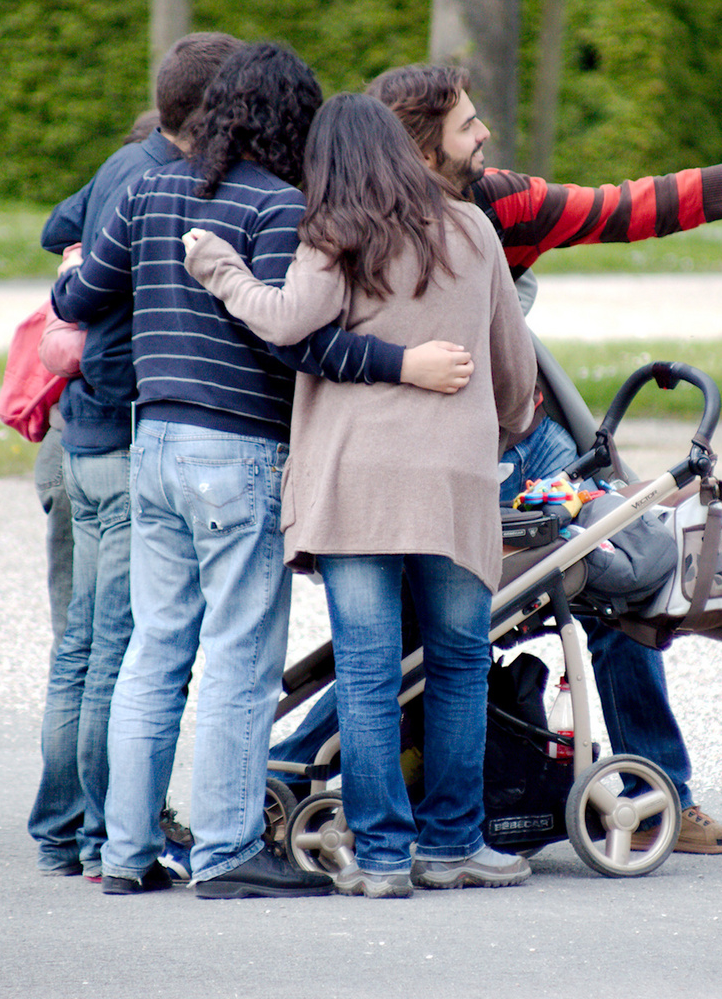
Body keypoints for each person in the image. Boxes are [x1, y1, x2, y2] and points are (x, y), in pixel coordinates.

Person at [273, 63, 722, 856]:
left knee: (614, 554)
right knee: (420, 630)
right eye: (466, 126)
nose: (485, 134)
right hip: (435, 448)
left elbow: (618, 208)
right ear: (415, 151)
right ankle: (295, 762)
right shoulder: (349, 219)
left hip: (517, 434)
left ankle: (663, 794)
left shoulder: (497, 202)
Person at [51, 42, 472, 899]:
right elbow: (301, 339)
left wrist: (73, 275)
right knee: (241, 653)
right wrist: (401, 365)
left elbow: (77, 301)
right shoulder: (279, 209)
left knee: (154, 652)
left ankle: (125, 854)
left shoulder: (148, 190)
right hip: (237, 449)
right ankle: (227, 852)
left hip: (153, 444)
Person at [184, 91, 538, 898]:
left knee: (370, 670)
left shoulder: (335, 233)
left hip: (354, 484)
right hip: (452, 481)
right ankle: (455, 843)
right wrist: (501, 431)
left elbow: (285, 324)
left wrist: (219, 269)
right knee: (458, 661)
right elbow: (512, 368)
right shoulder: (473, 229)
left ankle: (382, 857)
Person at [25, 33, 242, 881]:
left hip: (79, 435)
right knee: (117, 647)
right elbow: (108, 319)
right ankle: (100, 837)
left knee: (82, 645)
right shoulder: (163, 182)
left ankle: (58, 827)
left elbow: (56, 231)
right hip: (118, 428)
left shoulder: (124, 166)